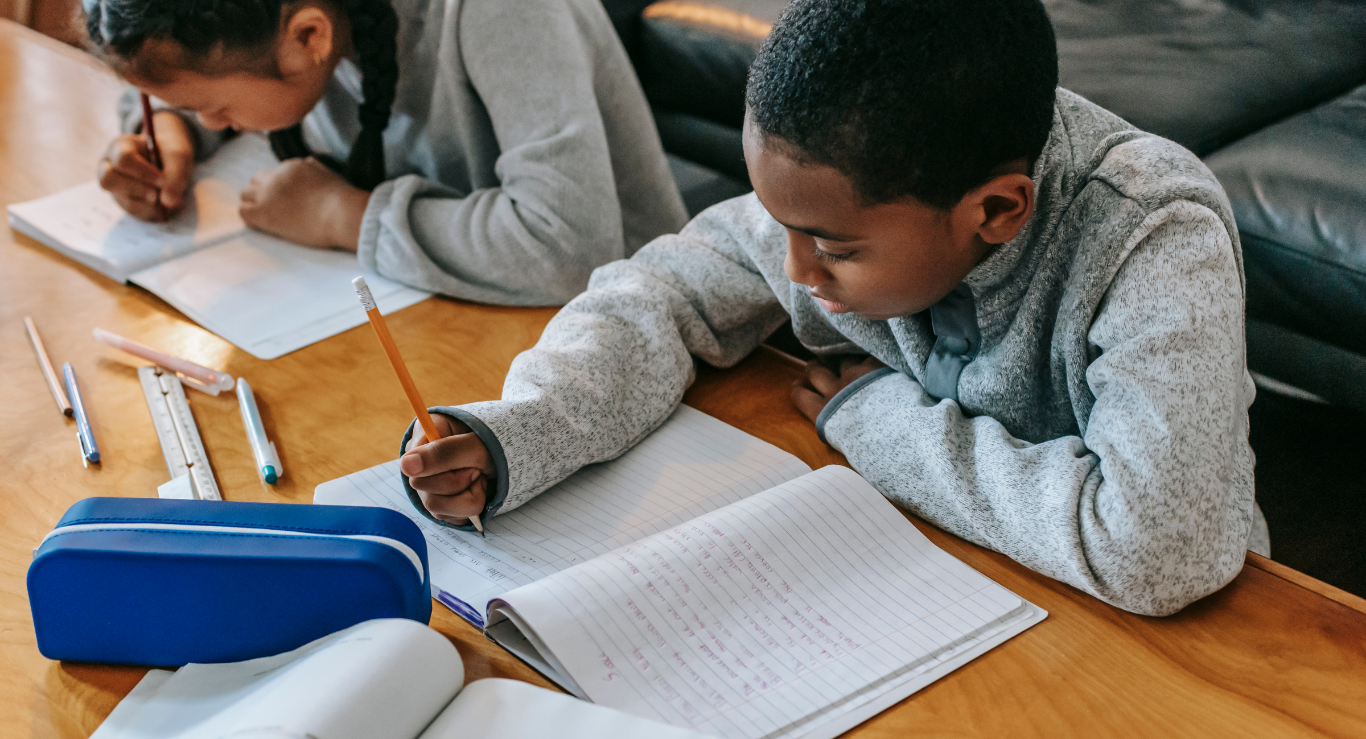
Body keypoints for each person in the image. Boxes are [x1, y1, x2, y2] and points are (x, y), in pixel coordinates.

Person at [395, 0, 1266, 616]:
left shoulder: (1154, 236)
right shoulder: (840, 189)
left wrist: (881, 421)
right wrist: (523, 430)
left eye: (833, 248)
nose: (791, 268)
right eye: (778, 225)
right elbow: (657, 289)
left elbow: (1160, 552)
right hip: (934, 583)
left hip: (1163, 645)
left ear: (998, 211)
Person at [84, 0, 688, 305]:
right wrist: (169, 130)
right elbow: (215, 74)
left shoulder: (498, 12)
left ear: (309, 36)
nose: (214, 123)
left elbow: (570, 246)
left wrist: (339, 215)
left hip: (628, 323)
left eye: (212, 110)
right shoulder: (279, 28)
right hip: (449, 310)